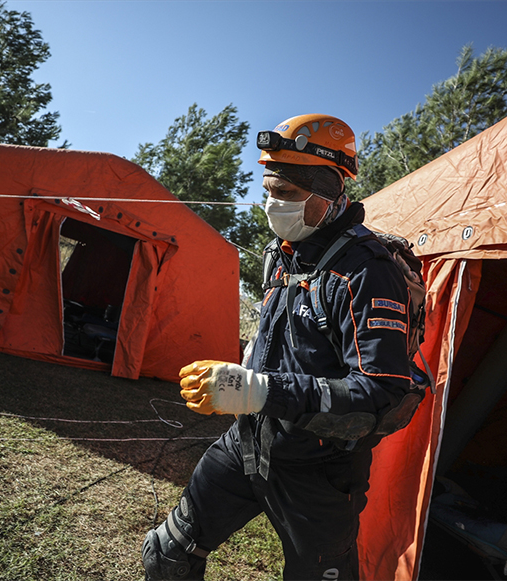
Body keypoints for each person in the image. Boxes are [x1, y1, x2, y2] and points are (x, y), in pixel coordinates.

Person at [142, 114, 414, 581]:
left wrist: (261, 390)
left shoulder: (367, 271)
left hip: (320, 470)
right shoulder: (281, 254)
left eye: (286, 194)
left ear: (329, 196)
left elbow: (381, 392)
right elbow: (284, 343)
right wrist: (243, 374)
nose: (272, 204)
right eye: (269, 190)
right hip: (247, 444)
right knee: (167, 554)